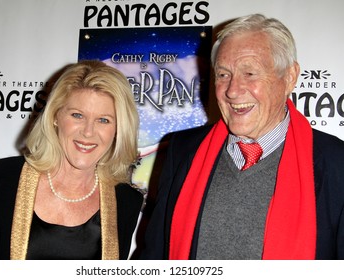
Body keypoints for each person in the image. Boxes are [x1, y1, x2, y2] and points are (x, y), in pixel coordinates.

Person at [139, 14, 344, 260]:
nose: (233, 91)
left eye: (250, 73)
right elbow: (154, 257)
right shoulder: (182, 150)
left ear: (289, 77)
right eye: (224, 75)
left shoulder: (336, 163)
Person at [0, 60, 143, 260]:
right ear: (55, 116)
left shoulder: (126, 201)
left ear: (118, 129)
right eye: (77, 115)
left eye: (103, 120)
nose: (88, 132)